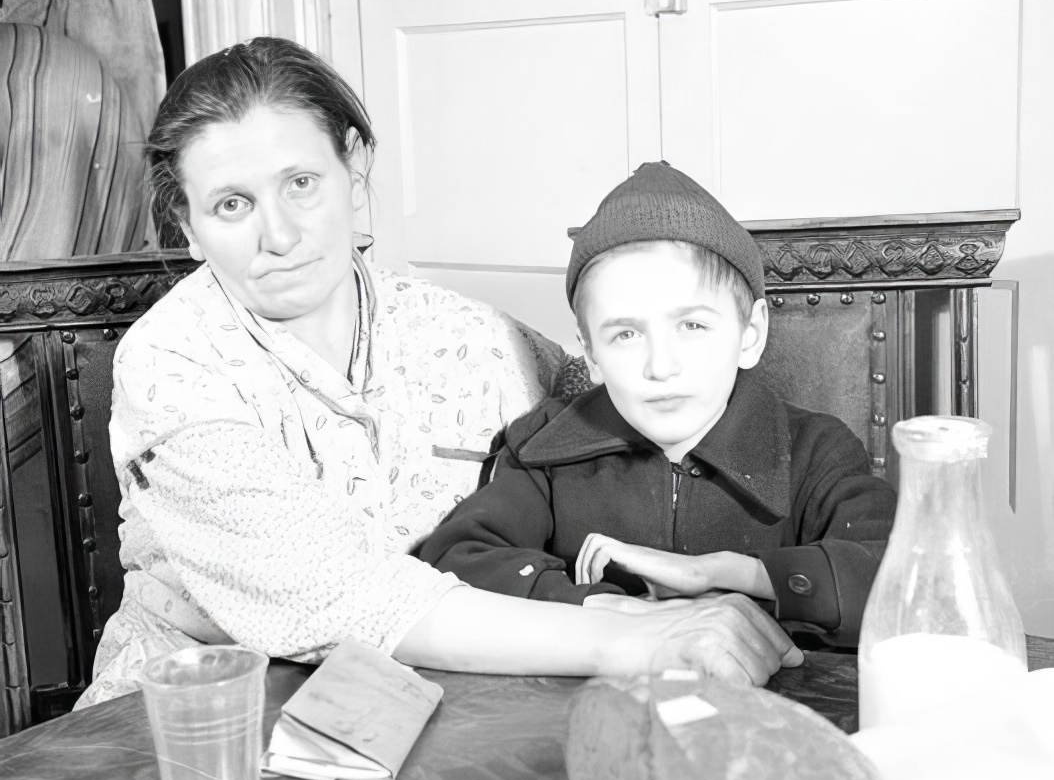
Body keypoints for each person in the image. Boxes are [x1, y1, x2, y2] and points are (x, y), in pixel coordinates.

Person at [78, 38, 802, 708]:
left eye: (301, 182)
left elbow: (627, 415)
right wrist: (641, 637)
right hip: (200, 715)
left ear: (353, 168)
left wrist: (723, 570)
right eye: (232, 205)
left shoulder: (467, 335)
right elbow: (339, 594)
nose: (280, 235)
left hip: (443, 702)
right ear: (186, 224)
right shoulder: (169, 365)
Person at [417, 161, 897, 646]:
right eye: (625, 334)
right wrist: (607, 610)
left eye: (692, 326)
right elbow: (455, 560)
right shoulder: (544, 449)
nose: (661, 366)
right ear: (591, 354)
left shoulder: (816, 451)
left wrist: (722, 573)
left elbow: (903, 580)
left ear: (750, 334)